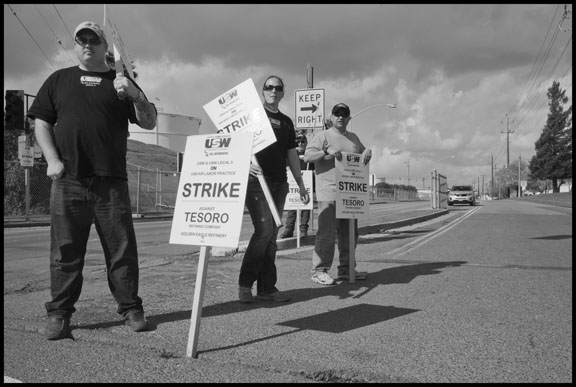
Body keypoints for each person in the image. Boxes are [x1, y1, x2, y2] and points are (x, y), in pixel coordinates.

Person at [27, 21, 158, 340]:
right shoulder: (58, 81)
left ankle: (130, 308)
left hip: (110, 183)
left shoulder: (120, 83)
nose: (87, 44)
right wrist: (53, 160)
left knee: (121, 250)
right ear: (76, 45)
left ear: (104, 46)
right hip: (68, 181)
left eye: (94, 40)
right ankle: (59, 313)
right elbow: (41, 123)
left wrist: (135, 93)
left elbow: (150, 120)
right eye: (81, 40)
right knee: (64, 251)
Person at [238, 75, 310, 303]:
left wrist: (299, 182)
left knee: (271, 235)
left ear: (282, 92)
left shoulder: (287, 122)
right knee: (263, 232)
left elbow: (291, 154)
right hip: (256, 183)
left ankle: (267, 288)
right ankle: (245, 285)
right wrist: (243, 162)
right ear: (263, 91)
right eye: (269, 87)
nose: (273, 90)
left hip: (280, 183)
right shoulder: (250, 116)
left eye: (278, 88)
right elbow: (230, 141)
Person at [303, 103, 371, 285]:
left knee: (350, 234)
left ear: (349, 118)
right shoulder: (322, 136)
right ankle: (319, 270)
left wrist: (368, 151)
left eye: (344, 114)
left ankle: (347, 270)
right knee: (326, 233)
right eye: (337, 114)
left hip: (350, 194)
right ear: (331, 117)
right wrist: (326, 151)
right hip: (329, 193)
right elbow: (307, 157)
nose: (340, 117)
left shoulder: (354, 138)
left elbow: (363, 152)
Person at [279, 130, 314, 239]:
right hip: (294, 185)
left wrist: (310, 174)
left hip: (307, 185)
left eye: (302, 141)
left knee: (305, 207)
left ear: (306, 143)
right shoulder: (291, 154)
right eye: (298, 142)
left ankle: (303, 230)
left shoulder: (310, 156)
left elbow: (315, 171)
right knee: (292, 208)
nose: (300, 144)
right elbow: (286, 167)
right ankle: (289, 230)